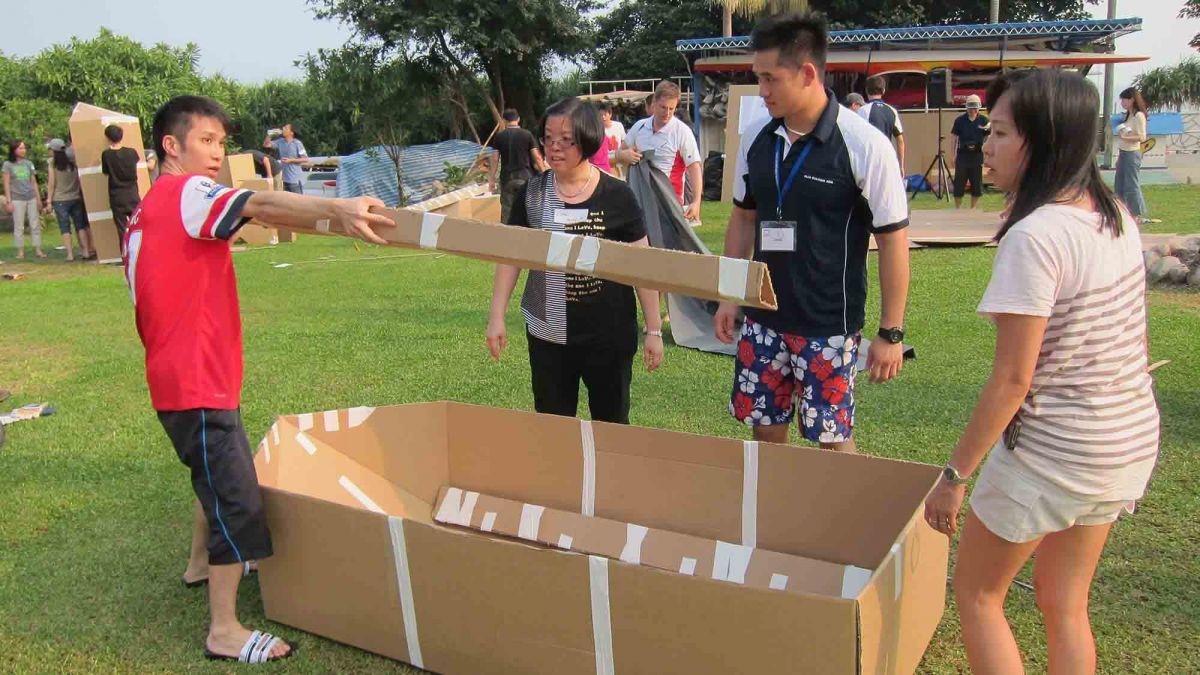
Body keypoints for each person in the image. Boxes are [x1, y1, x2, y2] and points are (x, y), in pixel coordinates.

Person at [125, 94, 391, 664]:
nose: (216, 155)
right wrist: (339, 211)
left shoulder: (150, 210)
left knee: (217, 471)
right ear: (171, 146)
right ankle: (224, 630)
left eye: (221, 143)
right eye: (206, 141)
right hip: (194, 380)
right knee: (239, 500)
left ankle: (201, 564)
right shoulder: (186, 193)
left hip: (185, 377)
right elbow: (261, 205)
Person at [924, 69, 1159, 675]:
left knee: (978, 596)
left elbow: (1011, 380)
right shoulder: (1116, 220)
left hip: (1054, 455)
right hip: (1122, 448)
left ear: (1045, 140)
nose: (984, 147)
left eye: (1000, 133)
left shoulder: (1036, 236)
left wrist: (955, 475)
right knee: (1065, 603)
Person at [714, 12, 910, 452]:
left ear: (807, 73)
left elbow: (893, 238)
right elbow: (743, 217)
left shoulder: (863, 144)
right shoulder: (756, 138)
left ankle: (842, 522)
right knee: (764, 431)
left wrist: (891, 332)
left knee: (833, 441)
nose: (761, 91)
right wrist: (729, 293)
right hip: (763, 320)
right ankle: (772, 516)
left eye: (770, 79)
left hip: (829, 327)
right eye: (757, 78)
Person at [486, 97, 664, 424]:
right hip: (548, 334)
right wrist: (496, 315)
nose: (555, 148)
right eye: (548, 139)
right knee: (554, 429)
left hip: (608, 337)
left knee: (611, 428)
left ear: (587, 139)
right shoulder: (532, 193)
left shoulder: (617, 195)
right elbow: (511, 257)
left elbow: (642, 265)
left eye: (566, 140)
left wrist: (653, 329)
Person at [617, 81, 703, 220]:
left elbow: (694, 167)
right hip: (640, 201)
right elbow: (618, 154)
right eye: (663, 107)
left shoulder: (682, 132)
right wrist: (624, 155)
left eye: (671, 108)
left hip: (670, 203)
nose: (667, 113)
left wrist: (696, 201)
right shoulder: (640, 127)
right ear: (654, 103)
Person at [487, 109, 547, 223]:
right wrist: (544, 173)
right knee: (529, 206)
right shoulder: (527, 134)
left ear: (504, 120)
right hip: (526, 177)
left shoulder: (499, 136)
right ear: (518, 119)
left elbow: (494, 159)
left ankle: (508, 234)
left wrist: (491, 179)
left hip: (507, 178)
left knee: (507, 208)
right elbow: (537, 157)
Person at [44, 139, 94, 261]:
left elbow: (51, 183)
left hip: (60, 199)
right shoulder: (72, 162)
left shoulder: (52, 163)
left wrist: (49, 200)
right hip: (75, 197)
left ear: (53, 150)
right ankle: (86, 252)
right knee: (80, 226)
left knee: (65, 227)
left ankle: (70, 254)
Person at [101, 124, 142, 251]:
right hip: (132, 193)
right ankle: (141, 250)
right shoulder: (131, 152)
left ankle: (125, 254)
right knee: (139, 225)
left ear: (108, 138)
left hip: (116, 195)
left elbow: (105, 171)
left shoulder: (106, 155)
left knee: (121, 228)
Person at [3, 139, 46, 259]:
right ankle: (20, 251)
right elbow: (6, 183)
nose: (23, 150)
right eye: (20, 148)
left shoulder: (28, 163)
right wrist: (9, 201)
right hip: (17, 198)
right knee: (19, 225)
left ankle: (38, 249)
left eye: (24, 148)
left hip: (30, 197)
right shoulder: (8, 165)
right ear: (14, 150)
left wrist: (38, 199)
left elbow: (33, 182)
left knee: (35, 224)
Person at [1114, 86, 1149, 223]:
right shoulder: (1129, 115)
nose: (1122, 103)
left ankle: (1135, 214)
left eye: (1124, 100)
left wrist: (1125, 138)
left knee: (1131, 185)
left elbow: (1142, 137)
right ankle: (1122, 212)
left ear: (1132, 100)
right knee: (1120, 184)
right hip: (1123, 152)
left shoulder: (1139, 116)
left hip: (1132, 153)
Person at [857, 75, 905, 172]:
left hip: (869, 161)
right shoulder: (892, 111)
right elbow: (900, 141)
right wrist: (901, 166)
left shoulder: (862, 111)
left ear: (866, 91)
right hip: (887, 159)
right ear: (883, 91)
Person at [950, 94, 989, 209]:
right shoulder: (960, 120)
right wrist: (953, 154)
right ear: (966, 107)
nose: (973, 109)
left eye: (975, 106)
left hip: (977, 156)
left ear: (979, 107)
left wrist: (987, 153)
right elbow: (954, 137)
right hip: (962, 156)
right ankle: (958, 208)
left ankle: (973, 209)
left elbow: (989, 137)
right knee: (959, 185)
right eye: (971, 106)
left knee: (976, 185)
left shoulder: (984, 120)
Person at [263, 123, 307, 194]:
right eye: (283, 127)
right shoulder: (280, 141)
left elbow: (305, 159)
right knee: (287, 203)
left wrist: (291, 160)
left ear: (291, 133)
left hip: (295, 181)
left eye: (286, 128)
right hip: (284, 180)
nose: (283, 128)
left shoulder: (297, 143)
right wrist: (270, 135)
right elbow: (266, 145)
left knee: (297, 203)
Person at [598, 101, 627, 177]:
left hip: (619, 158)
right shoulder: (598, 130)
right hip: (606, 161)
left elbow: (624, 141)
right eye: (601, 115)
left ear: (610, 114)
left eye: (605, 115)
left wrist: (622, 154)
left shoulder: (618, 125)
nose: (603, 117)